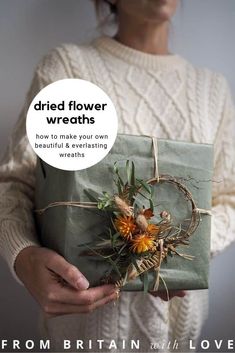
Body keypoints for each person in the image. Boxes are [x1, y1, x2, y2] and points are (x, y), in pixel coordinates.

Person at [0, 0, 235, 352]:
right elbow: (16, 185)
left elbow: (228, 198)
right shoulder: (68, 68)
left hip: (181, 339)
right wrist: (23, 256)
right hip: (81, 335)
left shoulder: (211, 90)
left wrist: (174, 252)